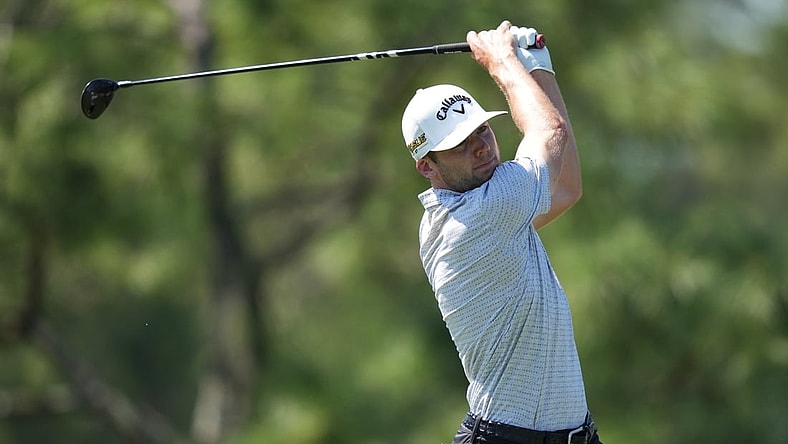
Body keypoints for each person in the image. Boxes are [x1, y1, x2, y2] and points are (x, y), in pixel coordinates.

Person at [401, 21, 602, 444]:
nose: (481, 146)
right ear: (427, 166)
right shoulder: (480, 216)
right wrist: (507, 61)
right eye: (459, 143)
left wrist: (538, 65)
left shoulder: (484, 209)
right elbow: (549, 133)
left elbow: (566, 186)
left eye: (482, 130)